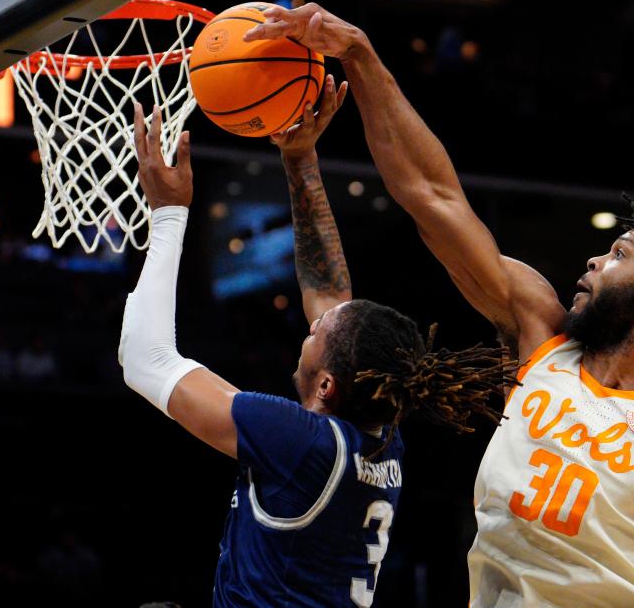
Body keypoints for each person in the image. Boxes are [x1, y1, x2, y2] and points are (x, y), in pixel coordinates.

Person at [246, 5, 634, 607]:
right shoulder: (543, 334)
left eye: (618, 254)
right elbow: (431, 195)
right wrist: (360, 53)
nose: (593, 262)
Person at [119, 79, 517, 607]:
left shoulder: (302, 440)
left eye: (316, 334)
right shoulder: (377, 429)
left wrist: (169, 213)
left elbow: (144, 361)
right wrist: (300, 156)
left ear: (327, 384)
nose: (312, 325)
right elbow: (330, 295)